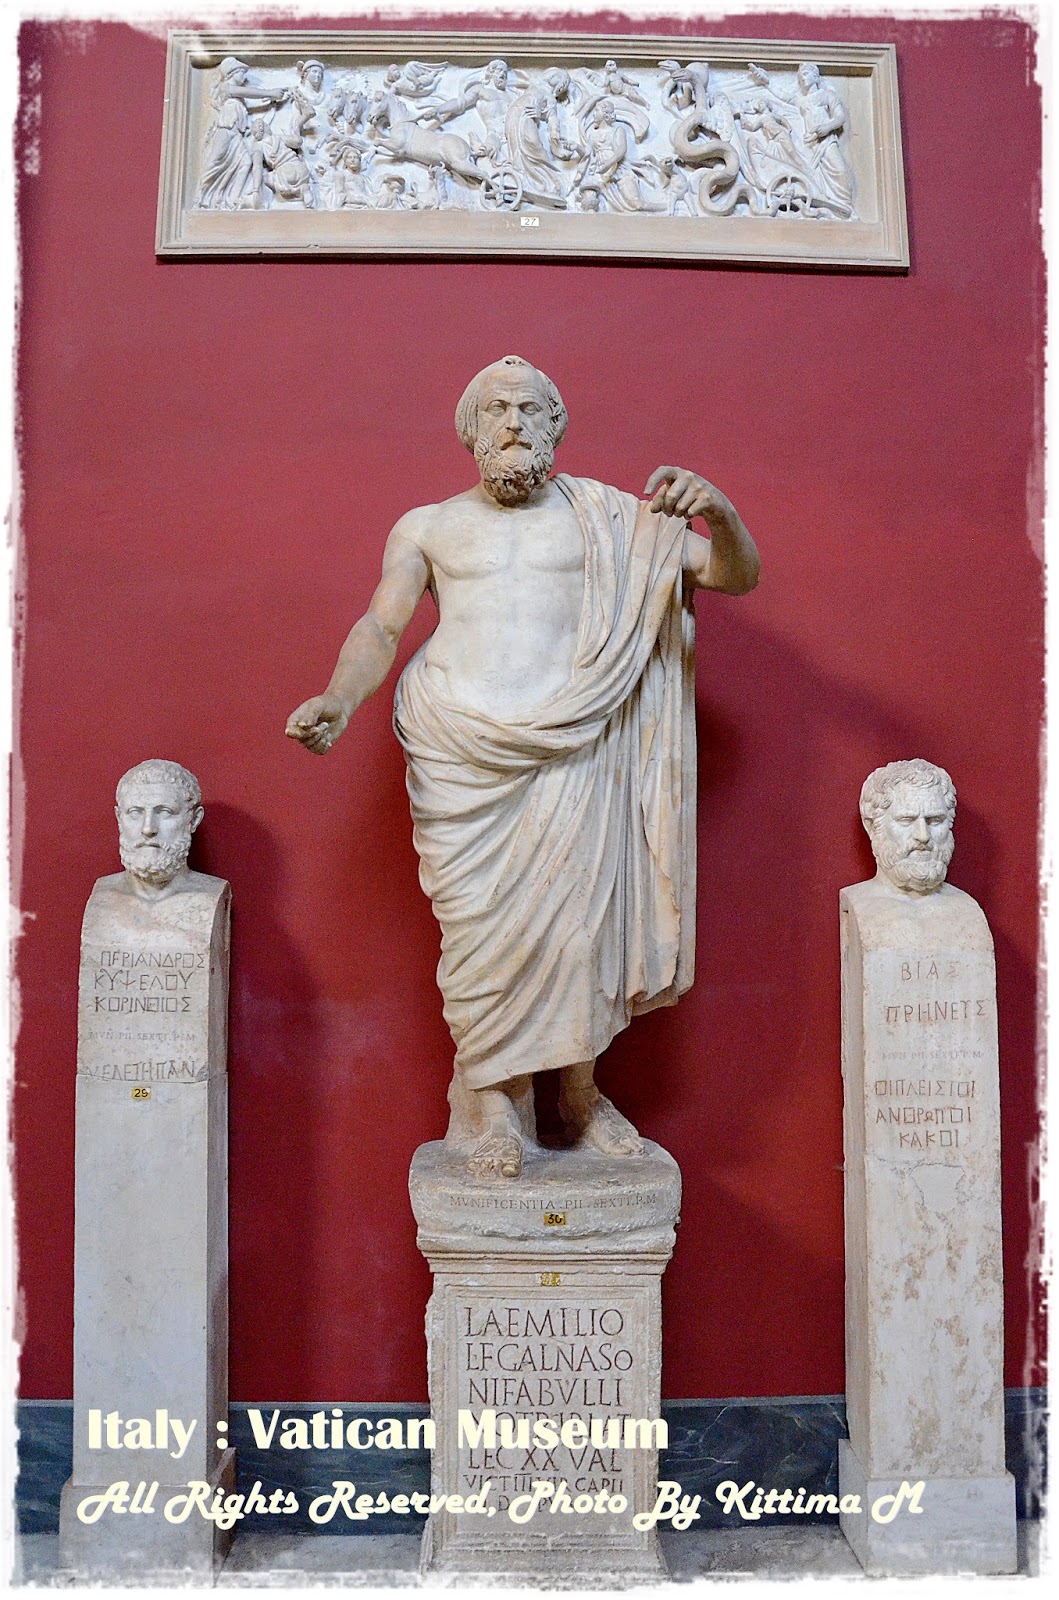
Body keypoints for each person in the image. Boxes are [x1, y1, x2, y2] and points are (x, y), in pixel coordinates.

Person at [286, 357, 759, 1178]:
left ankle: (577, 1093)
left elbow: (730, 575)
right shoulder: (428, 527)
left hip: (571, 745)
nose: (513, 422)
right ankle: (496, 1107)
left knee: (576, 935)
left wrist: (720, 512)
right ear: (470, 429)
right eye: (497, 409)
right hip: (459, 753)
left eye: (531, 409)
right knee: (479, 942)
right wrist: (338, 697)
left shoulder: (613, 522)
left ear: (555, 426)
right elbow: (380, 625)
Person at [858, 759, 957, 896]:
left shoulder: (967, 905)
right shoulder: (860, 901)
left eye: (934, 820)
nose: (923, 836)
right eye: (906, 820)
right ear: (872, 826)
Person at [112, 759, 205, 900]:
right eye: (135, 812)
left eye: (165, 812)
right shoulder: (103, 896)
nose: (148, 829)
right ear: (119, 818)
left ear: (194, 819)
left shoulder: (209, 895)